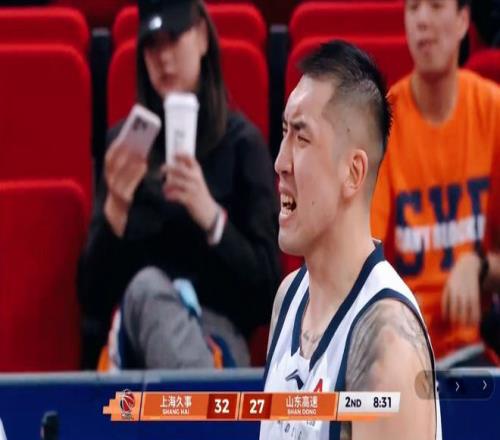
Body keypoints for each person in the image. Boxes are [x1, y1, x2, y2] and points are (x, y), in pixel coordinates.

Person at [78, 0, 280, 369]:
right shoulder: (125, 150)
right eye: (152, 45)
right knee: (147, 287)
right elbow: (91, 300)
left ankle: (195, 398)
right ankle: (200, 405)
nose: (163, 58)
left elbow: (267, 293)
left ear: (202, 36)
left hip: (216, 339)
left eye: (173, 39)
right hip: (134, 342)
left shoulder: (242, 144)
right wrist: (116, 209)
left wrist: (211, 217)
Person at [261, 41, 441, 440]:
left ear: (353, 173)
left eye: (302, 139)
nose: (280, 162)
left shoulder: (388, 346)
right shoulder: (288, 299)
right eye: (284, 133)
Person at [371, 0, 500, 360]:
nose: (422, 21)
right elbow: (362, 264)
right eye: (413, 9)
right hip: (400, 350)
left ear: (463, 21)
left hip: (476, 349)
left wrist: (480, 267)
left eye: (436, 6)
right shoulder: (383, 124)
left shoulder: (492, 111)